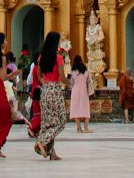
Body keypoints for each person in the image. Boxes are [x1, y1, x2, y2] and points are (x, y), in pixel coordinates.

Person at [33, 31, 67, 160]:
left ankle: (52, 153)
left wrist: (44, 83)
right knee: (60, 121)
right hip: (54, 90)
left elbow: (39, 74)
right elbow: (62, 77)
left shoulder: (41, 57)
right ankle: (41, 141)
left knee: (48, 122)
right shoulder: (58, 58)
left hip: (45, 90)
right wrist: (70, 83)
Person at [68, 53, 92, 133]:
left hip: (75, 91)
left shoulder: (73, 72)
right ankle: (86, 128)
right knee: (85, 108)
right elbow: (89, 81)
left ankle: (79, 128)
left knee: (76, 109)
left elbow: (71, 83)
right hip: (84, 91)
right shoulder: (86, 71)